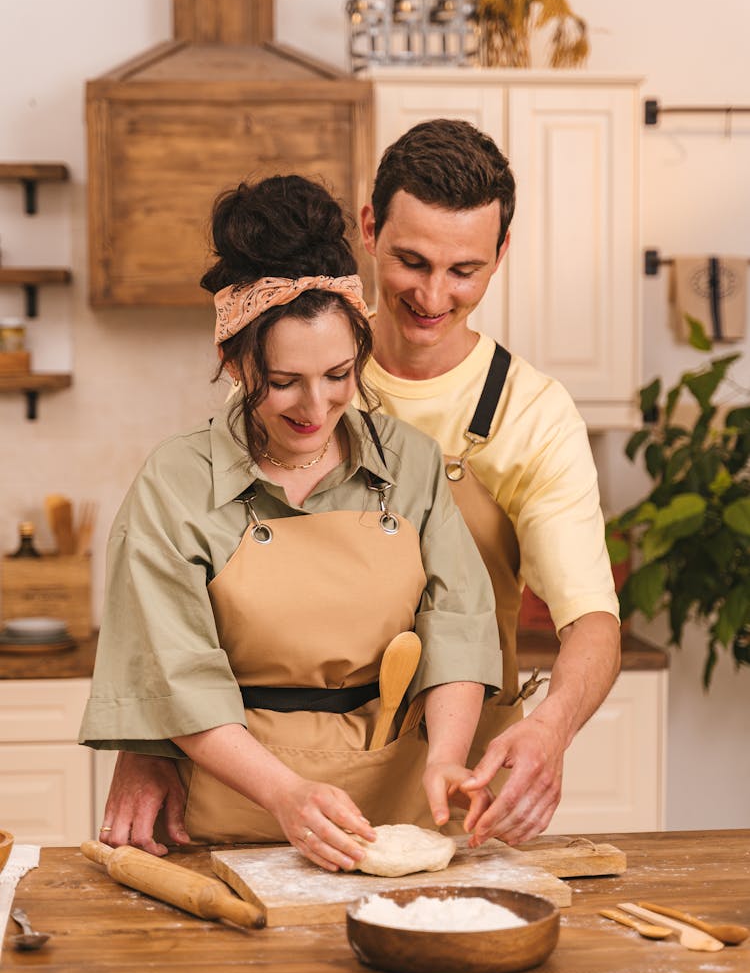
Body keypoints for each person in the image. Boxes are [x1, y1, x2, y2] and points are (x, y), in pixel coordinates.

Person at [95, 119, 621, 857]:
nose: (434, 294)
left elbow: (519, 621)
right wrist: (149, 737)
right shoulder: (268, 378)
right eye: (411, 260)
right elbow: (176, 645)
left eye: (464, 270)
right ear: (241, 367)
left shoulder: (496, 427)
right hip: (240, 805)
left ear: (501, 256)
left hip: (427, 788)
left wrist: (537, 730)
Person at [80, 174, 503, 872]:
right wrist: (285, 794)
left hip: (397, 814)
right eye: (284, 382)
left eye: (339, 373)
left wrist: (451, 761)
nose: (317, 405)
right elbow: (176, 674)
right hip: (232, 820)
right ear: (233, 359)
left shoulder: (413, 464)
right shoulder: (176, 485)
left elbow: (457, 626)